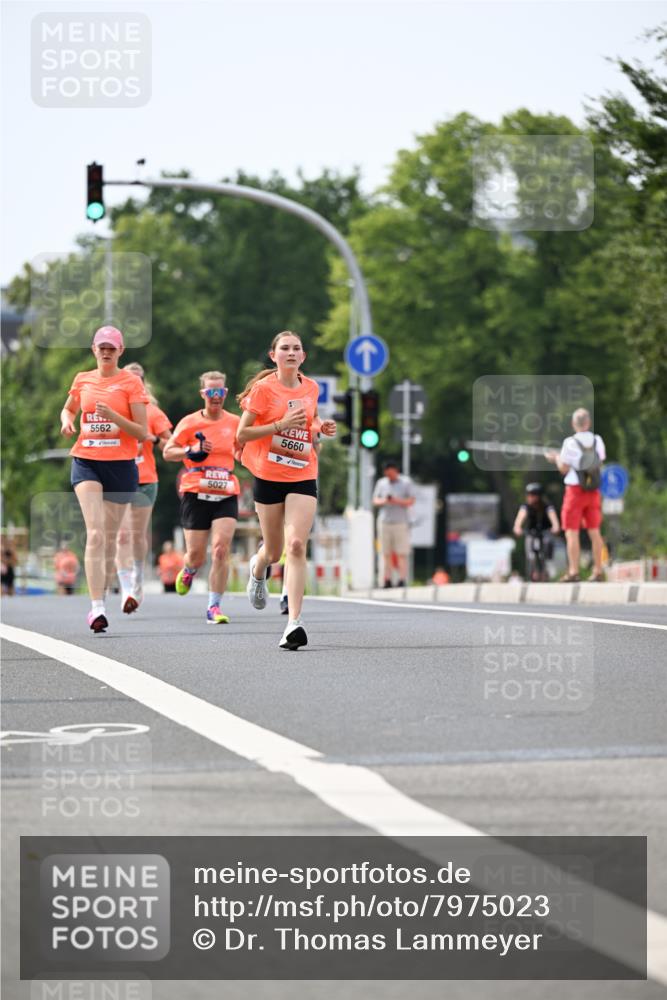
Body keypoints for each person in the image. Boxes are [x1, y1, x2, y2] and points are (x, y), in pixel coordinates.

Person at [236, 331, 336, 650]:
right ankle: (259, 567)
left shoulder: (311, 387)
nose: (291, 352)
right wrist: (279, 425)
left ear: (303, 357)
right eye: (285, 348)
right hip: (268, 474)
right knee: (274, 549)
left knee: (295, 545)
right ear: (274, 355)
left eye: (296, 348)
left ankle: (293, 622)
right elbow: (243, 433)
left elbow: (312, 420)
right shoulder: (264, 390)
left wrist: (322, 427)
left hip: (303, 471)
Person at [59, 326, 148, 632]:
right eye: (102, 347)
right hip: (86, 461)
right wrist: (67, 421)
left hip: (121, 466)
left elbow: (142, 432)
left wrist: (114, 417)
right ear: (94, 350)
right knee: (95, 534)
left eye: (112, 347)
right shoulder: (82, 379)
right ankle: (96, 608)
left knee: (110, 539)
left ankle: (112, 590)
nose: (106, 351)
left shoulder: (131, 382)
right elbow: (68, 409)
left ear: (121, 351)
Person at [163, 371, 241, 624]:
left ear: (225, 393)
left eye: (220, 392)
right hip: (196, 489)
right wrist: (191, 450)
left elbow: (248, 448)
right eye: (211, 392)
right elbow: (168, 451)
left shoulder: (236, 422)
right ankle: (189, 569)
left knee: (220, 550)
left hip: (226, 489)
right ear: (203, 394)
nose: (216, 397)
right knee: (196, 554)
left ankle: (214, 607)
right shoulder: (189, 422)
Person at [115, 362, 172, 612]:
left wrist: (154, 439)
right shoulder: (113, 408)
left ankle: (137, 576)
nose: (134, 382)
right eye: (129, 378)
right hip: (117, 477)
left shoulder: (152, 411)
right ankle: (126, 589)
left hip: (145, 478)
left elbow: (171, 446)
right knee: (122, 534)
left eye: (138, 379)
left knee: (137, 535)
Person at [546, 407, 606, 582]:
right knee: (595, 532)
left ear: (574, 424)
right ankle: (598, 570)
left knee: (571, 532)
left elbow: (564, 468)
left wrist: (556, 458)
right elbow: (599, 461)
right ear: (588, 423)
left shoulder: (569, 442)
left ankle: (573, 571)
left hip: (575, 489)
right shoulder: (597, 440)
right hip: (593, 489)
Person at [372, 459, 416, 588]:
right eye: (387, 474)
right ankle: (387, 579)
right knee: (386, 553)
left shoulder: (406, 482)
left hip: (401, 522)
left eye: (391, 473)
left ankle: (402, 579)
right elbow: (375, 500)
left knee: (401, 552)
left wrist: (396, 501)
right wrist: (385, 500)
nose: (389, 476)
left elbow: (411, 501)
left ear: (396, 471)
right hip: (385, 521)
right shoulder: (381, 483)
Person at [512, 483, 560, 582]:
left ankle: (546, 566)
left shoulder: (547, 506)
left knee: (547, 544)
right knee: (530, 551)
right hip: (531, 532)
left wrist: (555, 526)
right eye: (528, 495)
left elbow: (553, 517)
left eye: (532, 495)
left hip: (545, 531)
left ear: (538, 496)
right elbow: (520, 518)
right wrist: (517, 527)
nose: (529, 497)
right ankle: (532, 570)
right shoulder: (525, 507)